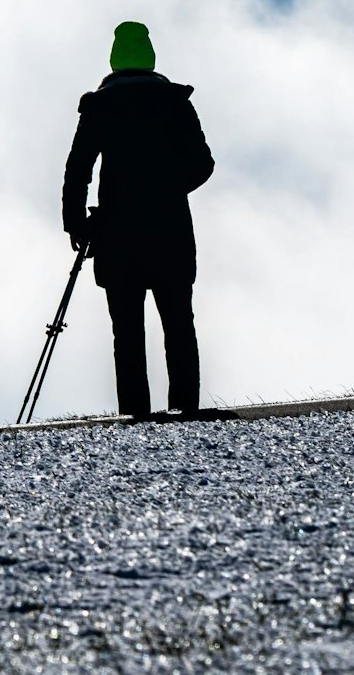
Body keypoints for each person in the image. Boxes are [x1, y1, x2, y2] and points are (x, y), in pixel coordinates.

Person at [62, 21, 214, 419]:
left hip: (117, 232)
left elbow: (78, 170)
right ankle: (185, 409)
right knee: (179, 323)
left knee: (127, 330)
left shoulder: (100, 106)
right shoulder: (175, 102)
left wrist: (76, 223)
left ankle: (135, 414)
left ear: (115, 59)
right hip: (170, 229)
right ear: (150, 57)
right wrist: (167, 188)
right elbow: (203, 163)